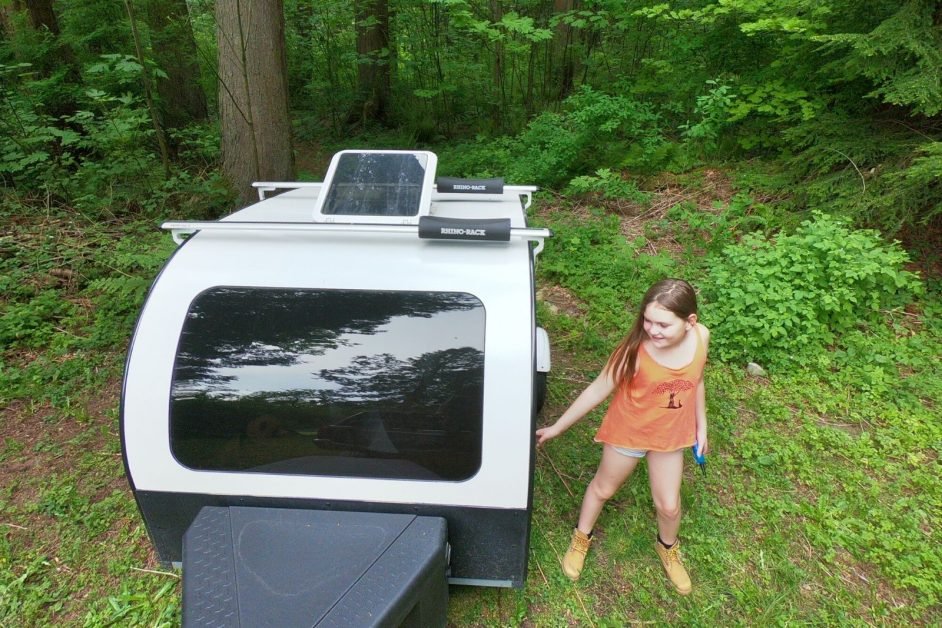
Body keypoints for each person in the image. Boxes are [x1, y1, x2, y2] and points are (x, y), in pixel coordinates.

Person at [536, 278, 709, 595]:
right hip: (629, 434)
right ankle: (581, 537)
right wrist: (558, 426)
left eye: (663, 324)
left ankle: (667, 548)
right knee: (603, 488)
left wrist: (702, 425)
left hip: (670, 436)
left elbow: (695, 380)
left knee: (669, 505)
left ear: (690, 322)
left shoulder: (701, 338)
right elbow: (596, 390)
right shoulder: (634, 353)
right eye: (647, 320)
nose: (652, 330)